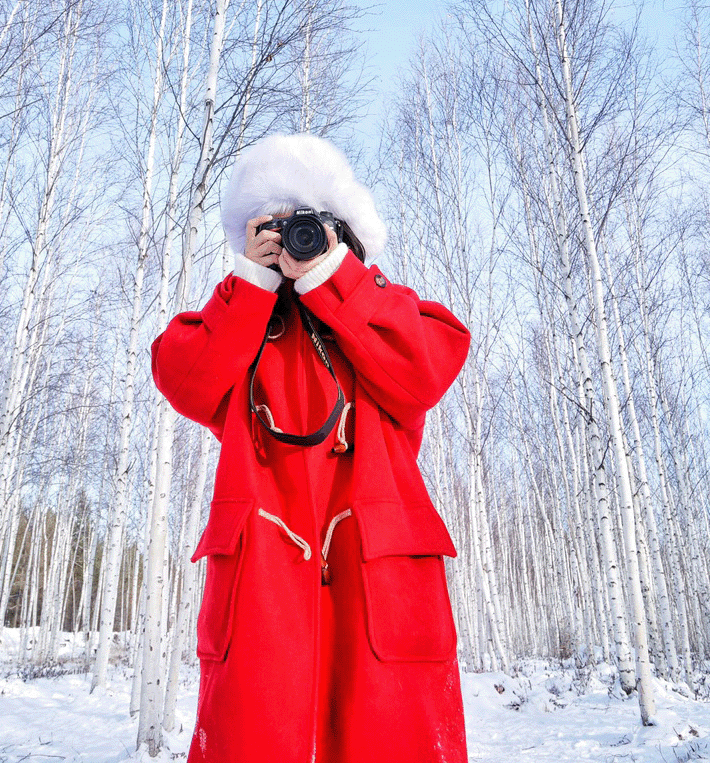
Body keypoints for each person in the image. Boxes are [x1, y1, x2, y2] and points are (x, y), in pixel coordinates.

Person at [151, 133, 471, 763]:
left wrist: (335, 280)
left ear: (342, 233)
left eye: (309, 227)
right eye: (279, 229)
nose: (294, 241)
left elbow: (427, 369)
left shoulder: (379, 318)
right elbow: (182, 378)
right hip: (262, 597)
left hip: (377, 590)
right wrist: (250, 282)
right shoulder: (243, 334)